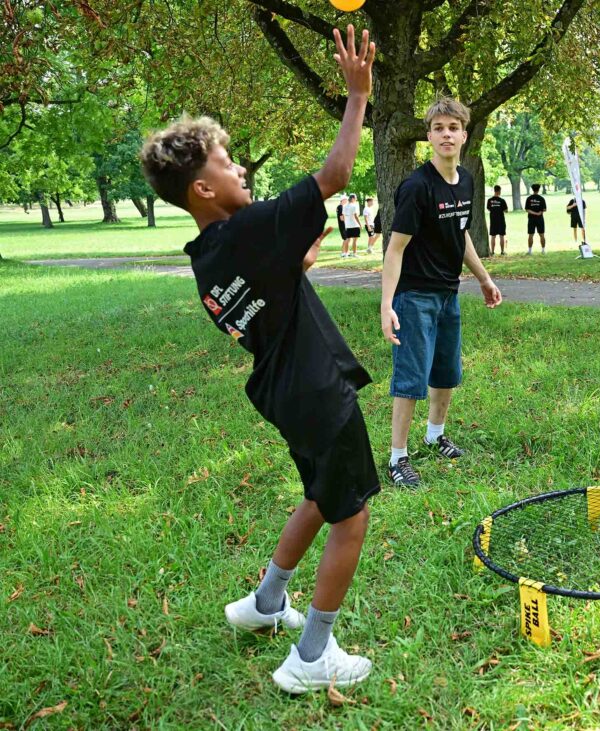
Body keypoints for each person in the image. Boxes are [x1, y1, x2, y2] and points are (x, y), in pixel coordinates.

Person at [139, 26, 377, 694]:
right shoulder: (247, 229)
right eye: (227, 162)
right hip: (314, 389)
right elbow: (334, 176)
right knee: (351, 513)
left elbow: (258, 292)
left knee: (316, 494)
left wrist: (295, 259)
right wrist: (356, 96)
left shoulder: (209, 255)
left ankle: (266, 601)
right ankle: (311, 656)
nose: (239, 169)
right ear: (204, 191)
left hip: (283, 391)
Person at [380, 96, 503, 487]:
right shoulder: (416, 187)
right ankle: (397, 457)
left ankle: (435, 435)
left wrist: (483, 278)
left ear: (464, 134)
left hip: (449, 294)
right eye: (438, 128)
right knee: (411, 378)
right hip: (415, 296)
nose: (446, 135)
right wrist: (387, 304)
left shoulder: (465, 180)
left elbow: (460, 233)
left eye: (453, 128)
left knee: (446, 372)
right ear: (428, 137)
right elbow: (395, 248)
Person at [524, 183, 547, 254]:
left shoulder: (529, 198)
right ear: (538, 189)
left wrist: (534, 213)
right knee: (542, 234)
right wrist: (538, 213)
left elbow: (527, 209)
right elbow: (544, 209)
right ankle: (543, 250)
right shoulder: (541, 199)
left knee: (530, 234)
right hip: (540, 219)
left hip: (531, 219)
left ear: (532, 189)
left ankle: (530, 251)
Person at [487, 185, 509, 255]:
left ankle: (492, 251)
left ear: (494, 190)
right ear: (499, 191)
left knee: (493, 236)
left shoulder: (489, 200)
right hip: (501, 221)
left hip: (493, 221)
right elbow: (506, 210)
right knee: (501, 236)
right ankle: (502, 251)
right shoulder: (502, 201)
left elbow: (488, 209)